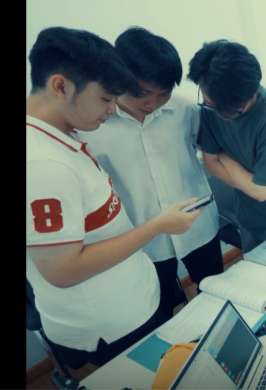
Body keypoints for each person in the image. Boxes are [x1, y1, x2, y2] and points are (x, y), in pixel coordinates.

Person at [26, 27, 201, 366]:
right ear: (61, 86)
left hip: (131, 301)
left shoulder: (61, 137)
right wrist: (157, 226)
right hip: (110, 324)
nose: (112, 109)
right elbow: (63, 271)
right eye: (106, 99)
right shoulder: (42, 165)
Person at [76, 27, 222, 319]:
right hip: (142, 242)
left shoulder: (185, 110)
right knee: (158, 314)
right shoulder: (91, 127)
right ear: (119, 77)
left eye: (163, 94)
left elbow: (208, 153)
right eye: (142, 93)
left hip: (198, 226)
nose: (152, 103)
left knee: (219, 296)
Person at [189, 40, 266, 252]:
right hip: (247, 217)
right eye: (211, 104)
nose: (218, 113)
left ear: (250, 93)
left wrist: (225, 158)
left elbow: (261, 193)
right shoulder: (211, 106)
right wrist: (252, 184)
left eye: (228, 110)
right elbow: (210, 163)